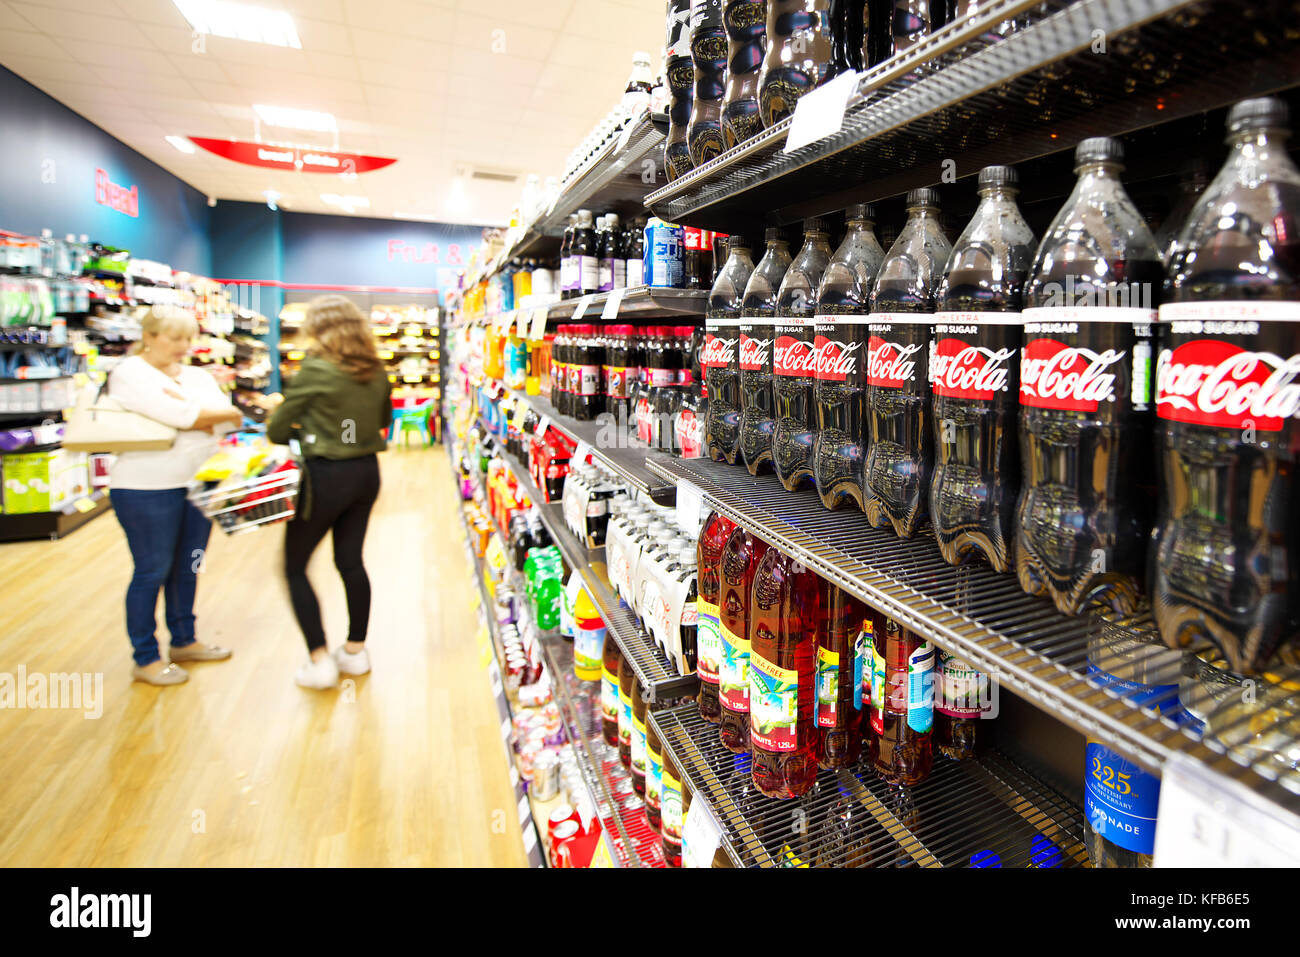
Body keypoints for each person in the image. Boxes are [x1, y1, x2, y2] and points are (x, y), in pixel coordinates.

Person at [259, 296, 392, 689]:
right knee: (350, 562)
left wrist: (308, 428)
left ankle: (319, 661)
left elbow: (277, 431)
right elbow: (383, 419)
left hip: (325, 478)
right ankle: (355, 652)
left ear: (317, 329)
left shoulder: (316, 369)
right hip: (366, 472)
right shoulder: (376, 370)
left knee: (295, 566)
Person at [108, 306, 243, 686]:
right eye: (175, 338)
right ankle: (146, 658)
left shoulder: (197, 375)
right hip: (145, 488)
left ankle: (184, 640)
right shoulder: (129, 373)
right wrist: (201, 413)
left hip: (198, 483)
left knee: (191, 565)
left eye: (188, 338)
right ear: (149, 336)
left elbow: (230, 418)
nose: (184, 346)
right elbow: (188, 418)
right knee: (152, 569)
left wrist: (200, 412)